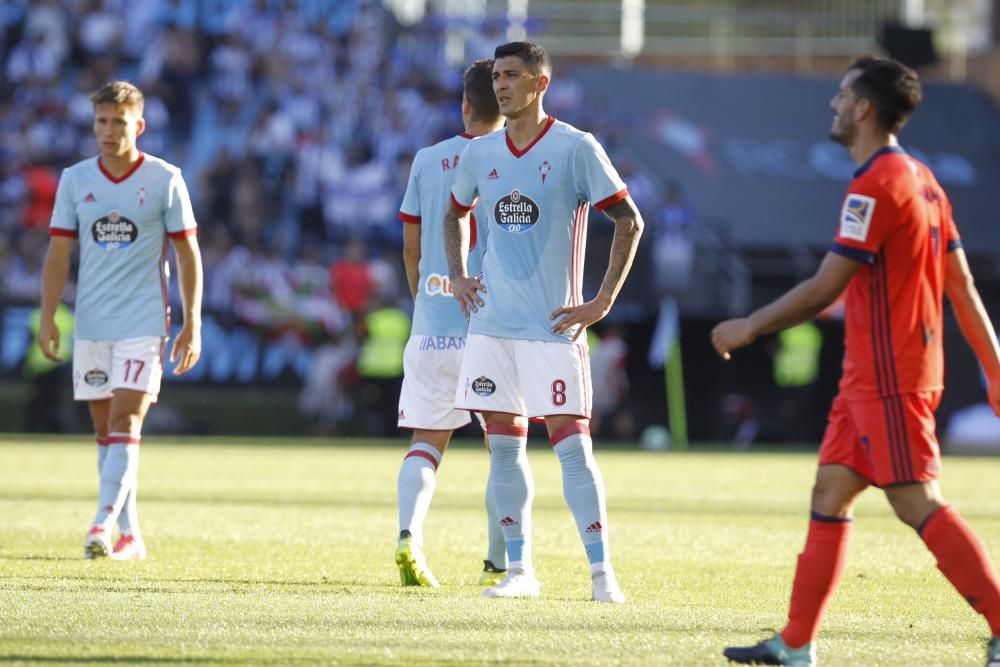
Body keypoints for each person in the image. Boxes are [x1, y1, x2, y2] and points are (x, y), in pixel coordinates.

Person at [711, 57, 1000, 666]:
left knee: (915, 500)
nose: (834, 104)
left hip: (891, 377)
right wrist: (996, 372)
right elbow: (964, 287)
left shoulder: (876, 184)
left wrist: (750, 324)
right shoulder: (923, 178)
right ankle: (795, 644)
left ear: (864, 109)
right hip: (872, 379)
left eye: (842, 95)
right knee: (830, 491)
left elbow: (824, 288)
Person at [445, 42, 644, 602]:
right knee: (504, 450)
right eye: (497, 77)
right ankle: (518, 572)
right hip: (490, 328)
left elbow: (629, 221)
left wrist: (601, 301)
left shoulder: (576, 147)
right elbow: (454, 213)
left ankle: (603, 576)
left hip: (552, 329)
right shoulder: (480, 154)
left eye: (512, 76)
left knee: (572, 450)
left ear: (541, 82)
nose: (501, 85)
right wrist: (459, 275)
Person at [39, 80, 203, 561]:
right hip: (91, 322)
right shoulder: (75, 179)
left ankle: (100, 522)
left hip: (144, 320)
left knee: (125, 418)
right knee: (105, 432)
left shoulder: (164, 178)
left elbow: (188, 254)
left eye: (118, 122)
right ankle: (130, 534)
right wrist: (49, 316)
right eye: (101, 122)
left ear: (140, 125)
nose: (108, 132)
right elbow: (58, 252)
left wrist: (192, 321)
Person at [394, 59, 508, 588]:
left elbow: (412, 246)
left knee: (426, 441)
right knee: (504, 447)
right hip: (493, 326)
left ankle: (408, 537)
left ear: (464, 104)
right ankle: (497, 563)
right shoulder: (514, 157)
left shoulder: (428, 158)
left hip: (432, 323)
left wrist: (426, 300)